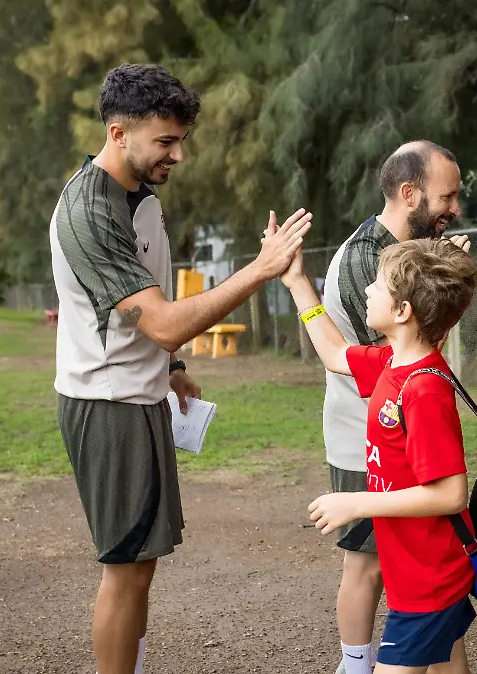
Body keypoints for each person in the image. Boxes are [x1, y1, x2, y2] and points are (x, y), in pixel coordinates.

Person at [50, 63, 312, 674]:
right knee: (123, 569)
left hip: (140, 394)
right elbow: (163, 319)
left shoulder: (141, 195)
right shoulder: (89, 211)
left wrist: (170, 367)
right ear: (119, 133)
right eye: (166, 141)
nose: (179, 154)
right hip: (107, 405)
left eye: (180, 140)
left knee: (142, 565)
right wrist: (260, 268)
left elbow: (146, 316)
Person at [284, 237, 477, 674]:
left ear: (403, 312)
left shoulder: (424, 388)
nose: (368, 290)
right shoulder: (393, 361)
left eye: (378, 285)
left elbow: (451, 494)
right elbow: (335, 354)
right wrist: (297, 282)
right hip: (415, 570)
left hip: (430, 578)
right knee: (450, 664)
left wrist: (354, 502)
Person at [320, 140, 466, 674]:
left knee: (391, 569)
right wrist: (294, 283)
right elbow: (353, 356)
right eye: (446, 195)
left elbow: (392, 356)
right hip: (369, 438)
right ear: (410, 193)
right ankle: (354, 662)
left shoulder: (421, 382)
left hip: (402, 451)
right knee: (366, 565)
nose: (453, 208)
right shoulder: (373, 260)